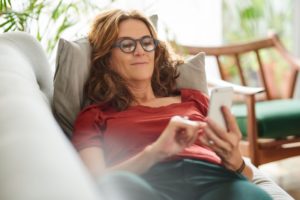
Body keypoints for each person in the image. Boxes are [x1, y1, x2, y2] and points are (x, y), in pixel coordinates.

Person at [72, 9, 272, 200]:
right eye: (126, 45)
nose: (140, 51)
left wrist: (234, 158)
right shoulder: (94, 116)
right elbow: (94, 180)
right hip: (147, 182)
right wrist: (156, 152)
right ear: (107, 58)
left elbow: (246, 175)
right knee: (117, 183)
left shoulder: (194, 99)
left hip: (213, 179)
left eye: (146, 42)